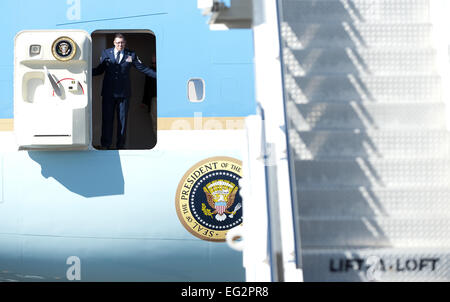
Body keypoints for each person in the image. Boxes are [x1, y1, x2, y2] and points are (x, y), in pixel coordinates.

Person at [93, 33, 156, 149]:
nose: (120, 45)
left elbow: (142, 68)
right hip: (108, 93)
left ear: (125, 43)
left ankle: (120, 145)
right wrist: (84, 73)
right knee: (107, 119)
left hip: (124, 93)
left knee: (122, 120)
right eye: (117, 43)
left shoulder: (130, 54)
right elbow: (100, 70)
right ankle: (105, 144)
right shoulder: (106, 53)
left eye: (122, 43)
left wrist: (159, 76)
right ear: (114, 43)